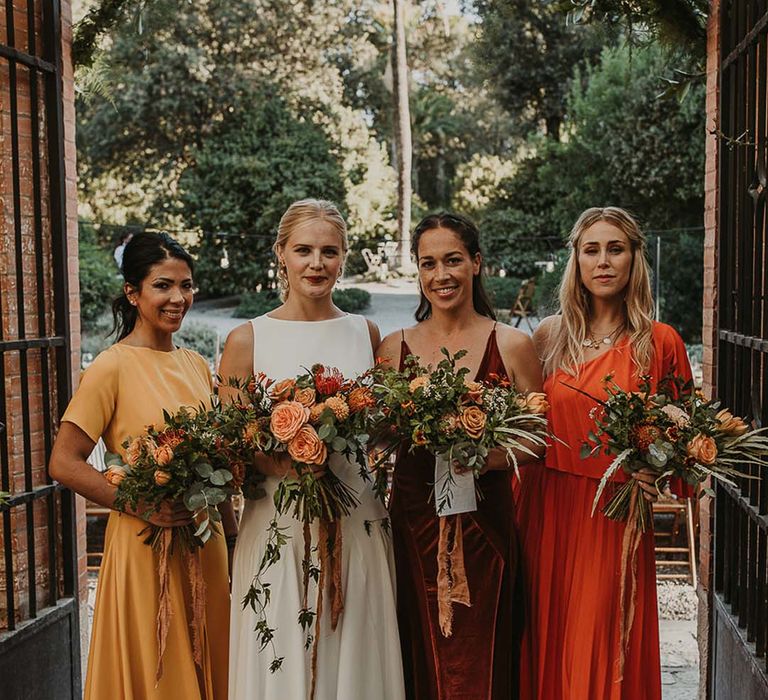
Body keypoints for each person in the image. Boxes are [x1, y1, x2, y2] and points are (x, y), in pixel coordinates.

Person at [220, 199, 405, 700]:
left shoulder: (367, 335)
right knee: (277, 645)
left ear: (344, 257)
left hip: (356, 519)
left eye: (329, 251)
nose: (316, 263)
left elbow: (384, 429)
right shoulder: (246, 339)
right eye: (303, 250)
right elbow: (235, 448)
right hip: (278, 522)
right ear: (281, 253)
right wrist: (285, 455)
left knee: (354, 649)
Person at [516, 207, 693, 700]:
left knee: (600, 638)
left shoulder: (660, 343)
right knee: (544, 633)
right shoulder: (549, 337)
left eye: (615, 249)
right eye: (591, 250)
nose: (603, 261)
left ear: (635, 257)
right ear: (576, 259)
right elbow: (524, 429)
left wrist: (655, 470)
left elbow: (689, 445)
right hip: (545, 508)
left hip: (612, 515)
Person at [49, 232, 232, 699]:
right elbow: (64, 463)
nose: (178, 298)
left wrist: (233, 536)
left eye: (187, 286)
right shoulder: (110, 366)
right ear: (133, 293)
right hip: (144, 545)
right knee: (157, 667)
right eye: (163, 286)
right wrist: (138, 503)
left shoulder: (196, 366)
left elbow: (220, 462)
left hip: (203, 543)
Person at [376, 212, 544, 700]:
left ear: (476, 263)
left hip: (483, 524)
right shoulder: (392, 348)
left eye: (453, 260)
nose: (441, 275)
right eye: (428, 263)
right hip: (412, 521)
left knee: (483, 652)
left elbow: (536, 439)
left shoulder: (512, 344)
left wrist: (483, 457)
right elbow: (382, 435)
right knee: (417, 647)